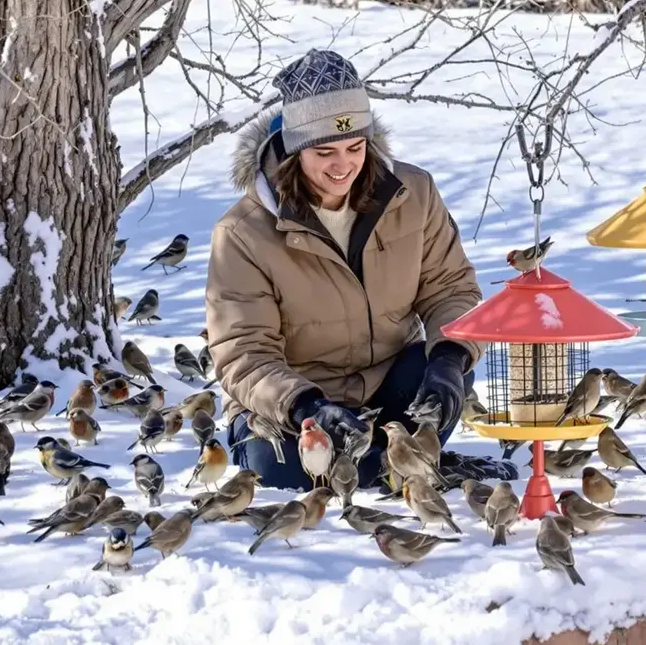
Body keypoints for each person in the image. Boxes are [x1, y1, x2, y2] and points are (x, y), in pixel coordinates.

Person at [205, 49, 514, 491]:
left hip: (387, 388)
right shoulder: (242, 233)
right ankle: (404, 465)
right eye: (324, 151)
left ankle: (387, 461)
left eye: (355, 147)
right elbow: (244, 353)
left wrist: (449, 361)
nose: (343, 166)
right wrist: (306, 406)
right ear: (294, 150)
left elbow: (451, 290)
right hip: (294, 406)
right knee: (278, 470)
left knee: (446, 367)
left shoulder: (413, 193)